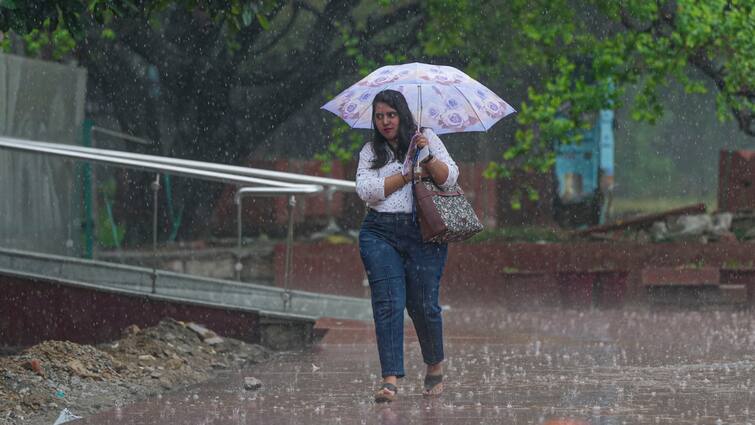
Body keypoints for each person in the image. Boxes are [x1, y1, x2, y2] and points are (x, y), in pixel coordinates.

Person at [355, 89, 459, 402]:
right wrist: (408, 174)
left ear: (402, 115)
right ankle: (390, 379)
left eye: (391, 114)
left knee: (423, 306)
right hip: (380, 233)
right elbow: (367, 190)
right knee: (388, 304)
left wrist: (427, 154)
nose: (385, 121)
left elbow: (449, 178)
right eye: (379, 115)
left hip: (424, 232)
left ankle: (434, 365)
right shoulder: (370, 151)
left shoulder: (427, 138)